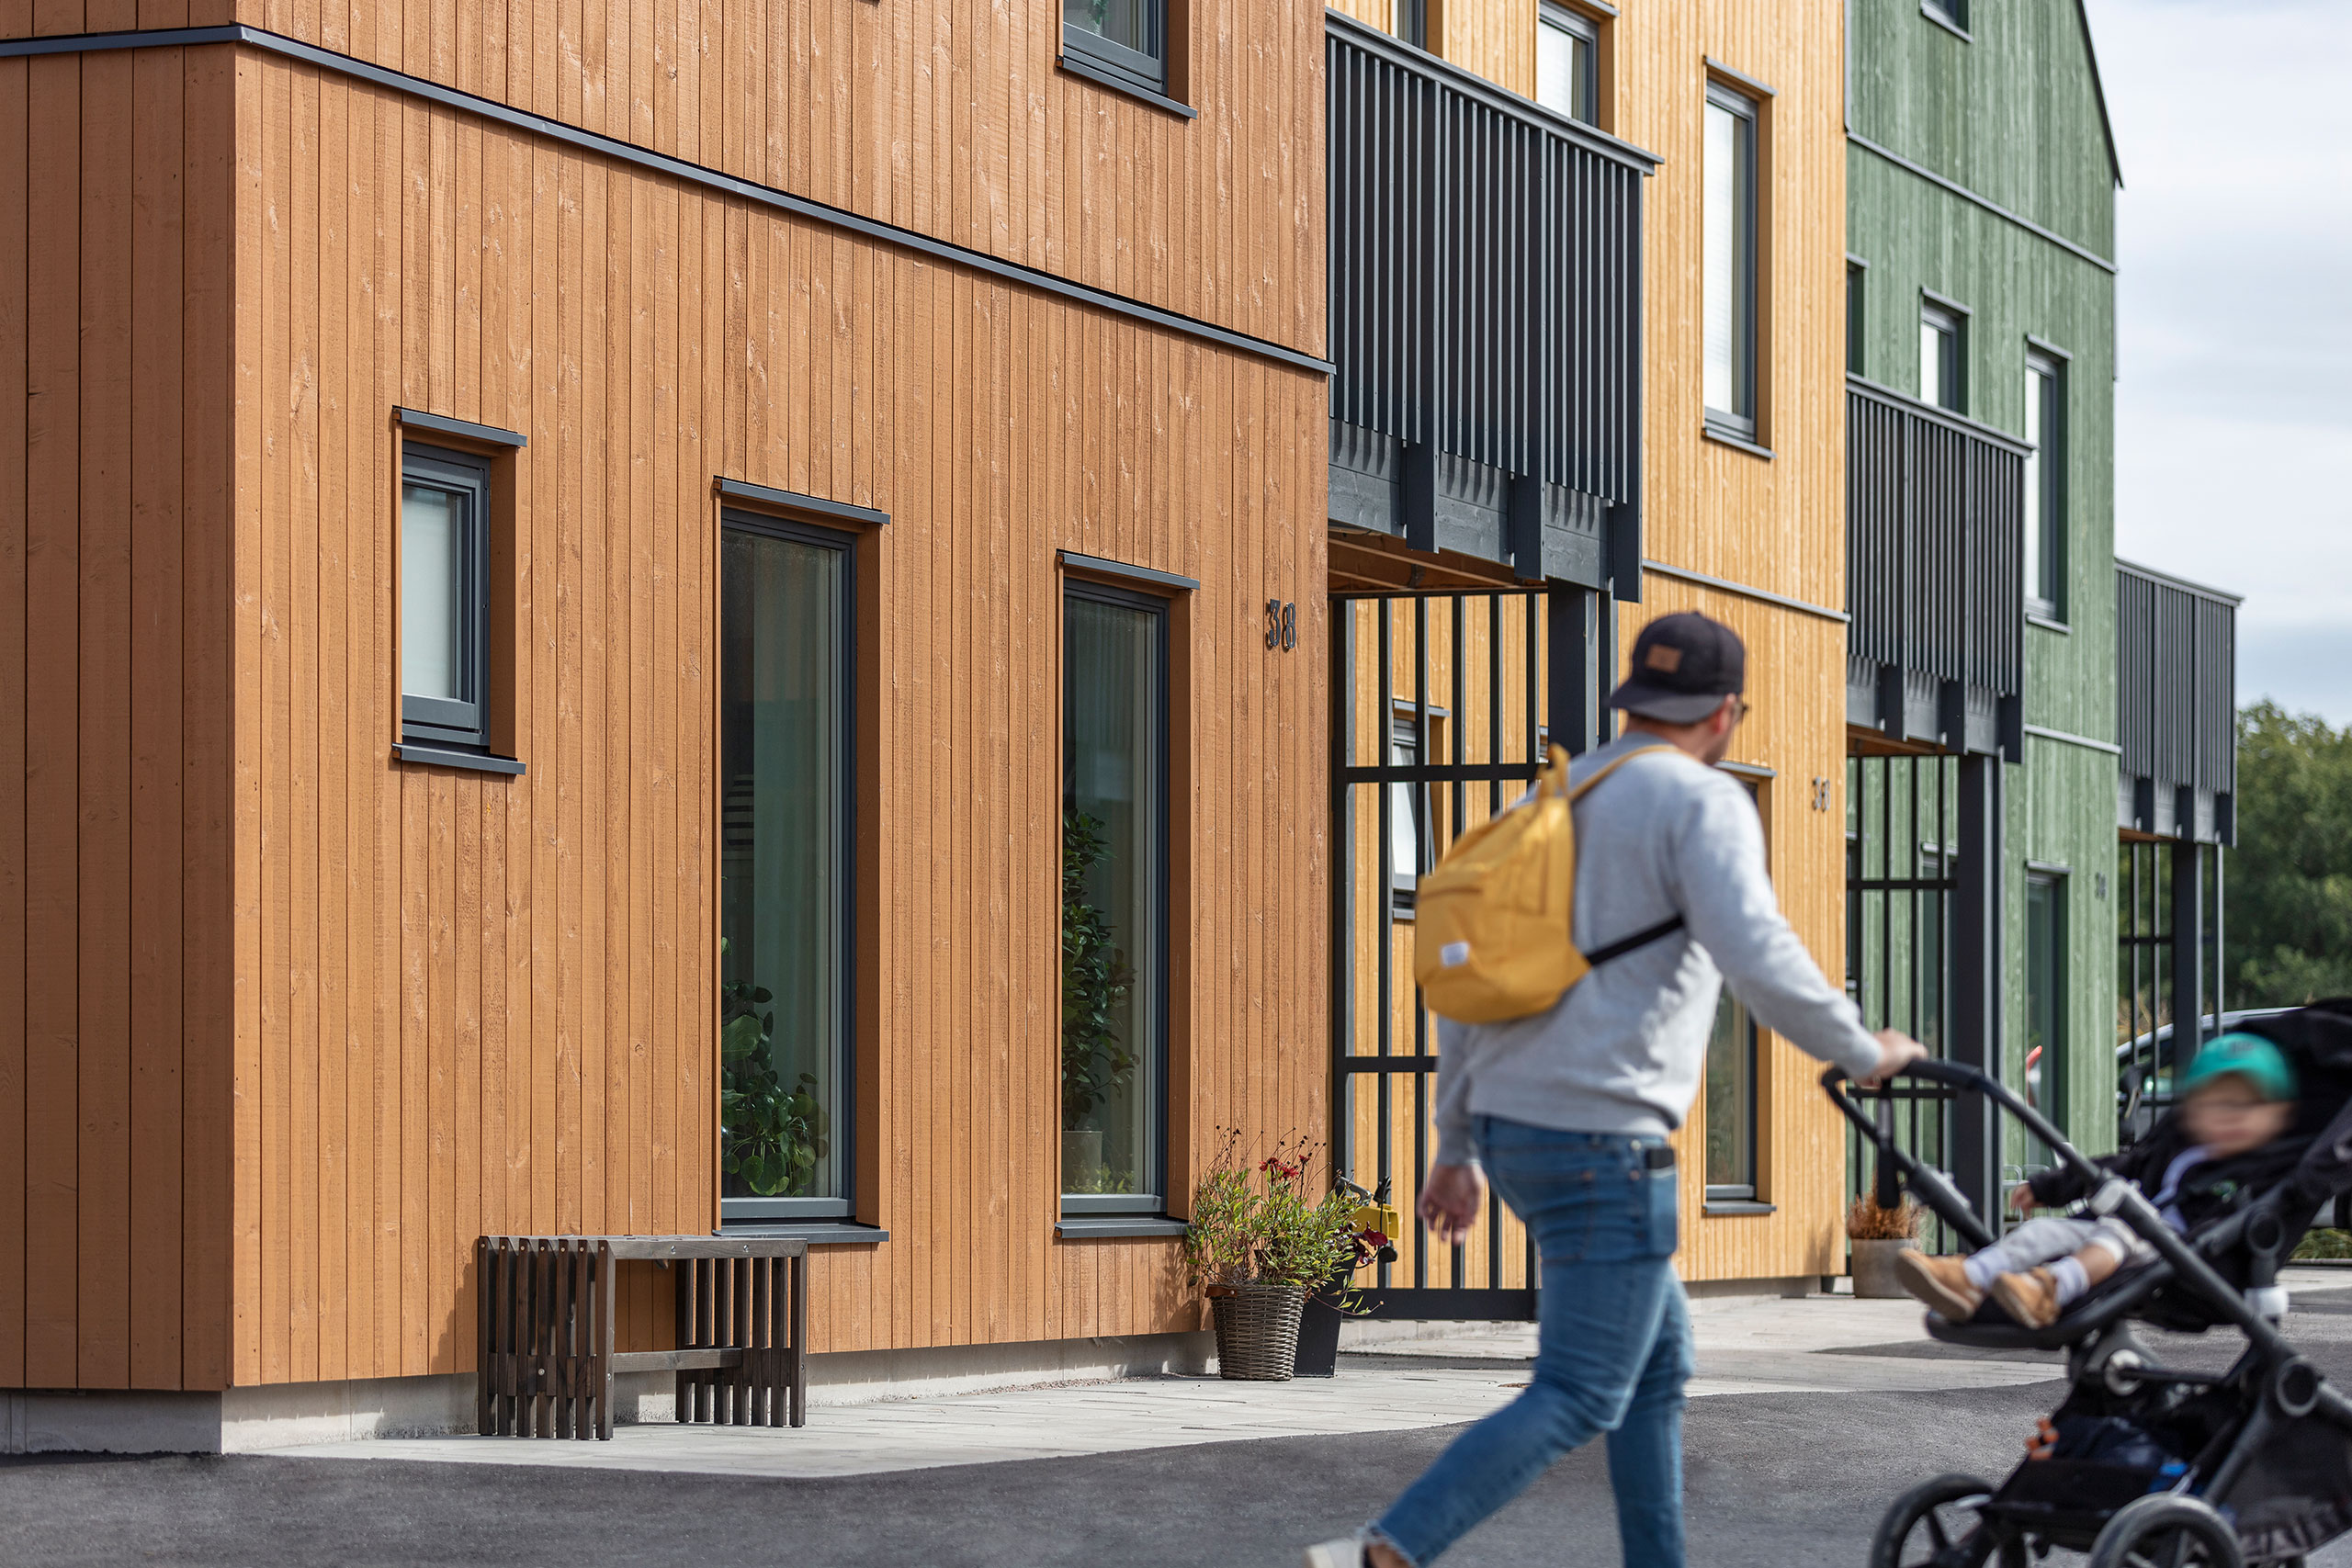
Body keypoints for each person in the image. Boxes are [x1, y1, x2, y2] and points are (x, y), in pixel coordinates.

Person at [1304, 611, 1927, 1568]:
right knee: (1584, 1389)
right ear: (1726, 714)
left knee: (1656, 1370)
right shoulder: (1699, 802)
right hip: (1602, 1144)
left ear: (1630, 699)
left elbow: (1472, 984)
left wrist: (1458, 1144)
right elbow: (1755, 953)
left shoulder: (1548, 798)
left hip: (1519, 1133)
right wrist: (1859, 1047)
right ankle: (1384, 1552)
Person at [1898, 1031, 2302, 1330]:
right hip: (2125, 1230)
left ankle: (2050, 1290)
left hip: (2182, 1254)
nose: (2230, 1117)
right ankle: (1967, 1280)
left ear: (2277, 1117)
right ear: (2192, 1110)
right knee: (2044, 1231)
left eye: (2248, 1106)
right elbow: (2116, 1168)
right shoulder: (2174, 1149)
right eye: (2217, 1105)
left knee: (2116, 1233)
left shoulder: (2258, 1172)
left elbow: (2234, 1223)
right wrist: (2048, 1187)